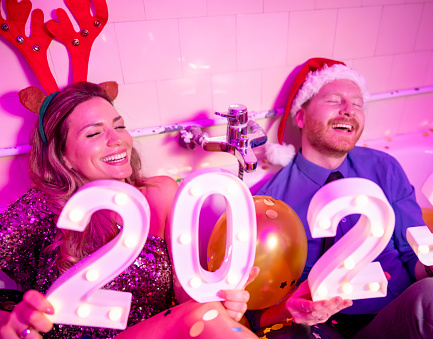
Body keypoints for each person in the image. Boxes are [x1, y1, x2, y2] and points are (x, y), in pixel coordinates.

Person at [247, 58, 433, 338]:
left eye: (358, 103)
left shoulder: (384, 167)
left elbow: (413, 255)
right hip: (343, 328)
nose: (349, 110)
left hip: (410, 296)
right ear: (300, 116)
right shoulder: (271, 204)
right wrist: (291, 309)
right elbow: (253, 314)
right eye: (334, 100)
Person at [0, 82, 258, 338]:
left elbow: (185, 296)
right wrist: (9, 325)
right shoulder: (44, 207)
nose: (117, 140)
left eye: (119, 126)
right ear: (63, 155)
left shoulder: (160, 194)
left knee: (207, 311)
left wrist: (220, 301)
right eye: (94, 134)